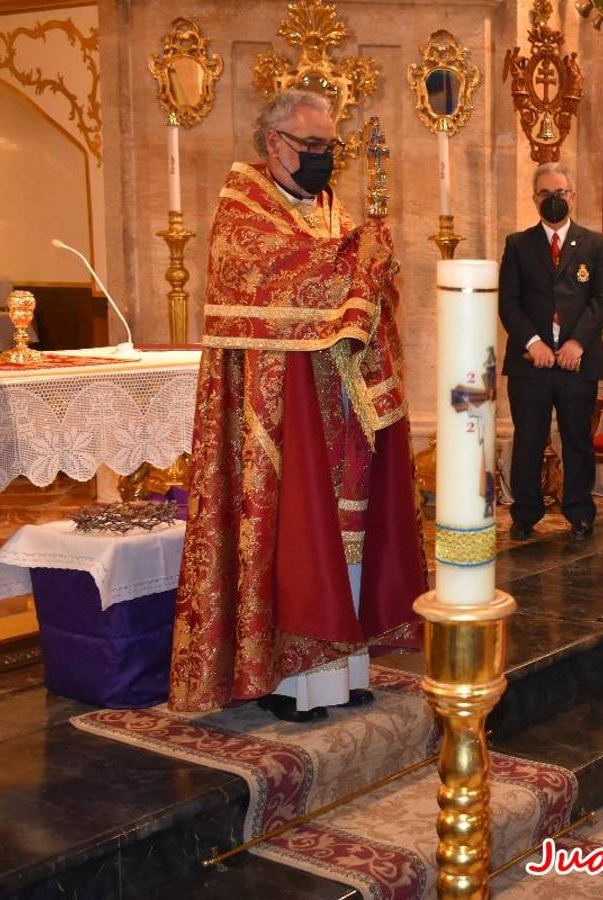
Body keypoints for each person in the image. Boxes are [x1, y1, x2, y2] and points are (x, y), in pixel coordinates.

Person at [168, 90, 426, 722]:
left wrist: (366, 269)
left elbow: (358, 281)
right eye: (312, 146)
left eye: (330, 147)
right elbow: (279, 277)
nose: (324, 159)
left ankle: (346, 667)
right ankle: (289, 680)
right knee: (296, 532)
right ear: (273, 143)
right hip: (279, 409)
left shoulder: (332, 210)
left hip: (343, 397)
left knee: (349, 533)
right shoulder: (242, 208)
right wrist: (359, 262)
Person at [499, 162, 603, 542]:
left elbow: (602, 299)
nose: (554, 200)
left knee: (577, 440)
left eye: (560, 193)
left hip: (577, 361)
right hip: (530, 363)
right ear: (534, 198)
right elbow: (509, 303)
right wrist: (533, 343)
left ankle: (580, 512)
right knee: (529, 438)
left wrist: (576, 343)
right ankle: (525, 513)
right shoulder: (517, 245)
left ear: (572, 196)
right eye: (546, 194)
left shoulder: (595, 244)